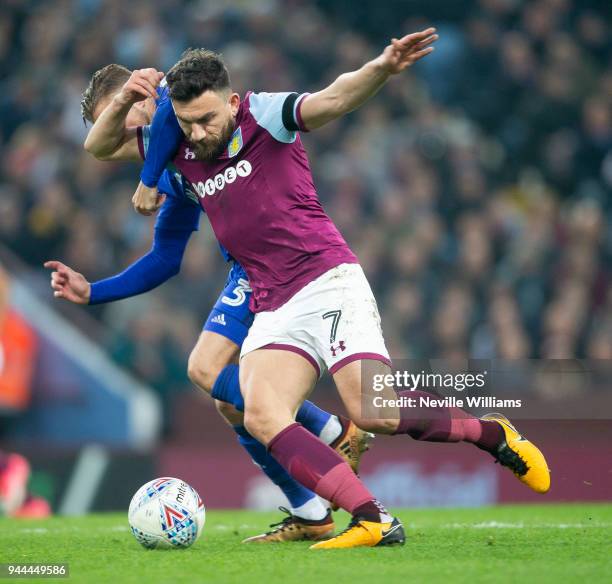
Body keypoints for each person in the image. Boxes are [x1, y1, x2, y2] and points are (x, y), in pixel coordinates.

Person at [87, 29, 550, 550]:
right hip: (272, 301)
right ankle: (372, 518)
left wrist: (381, 66)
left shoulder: (264, 115)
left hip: (327, 281)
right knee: (258, 413)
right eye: (188, 123)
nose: (198, 132)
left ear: (234, 102)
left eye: (208, 119)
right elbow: (99, 146)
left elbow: (333, 97)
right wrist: (129, 99)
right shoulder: (178, 151)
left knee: (376, 411)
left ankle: (494, 434)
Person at [45, 64, 373, 543]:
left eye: (122, 116)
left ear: (146, 97)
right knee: (228, 403)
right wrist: (94, 292)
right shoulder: (180, 172)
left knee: (203, 368)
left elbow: (160, 118)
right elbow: (164, 259)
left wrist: (148, 173)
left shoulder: (181, 113)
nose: (122, 134)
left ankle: (330, 431)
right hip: (249, 265)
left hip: (278, 262)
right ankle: (309, 510)